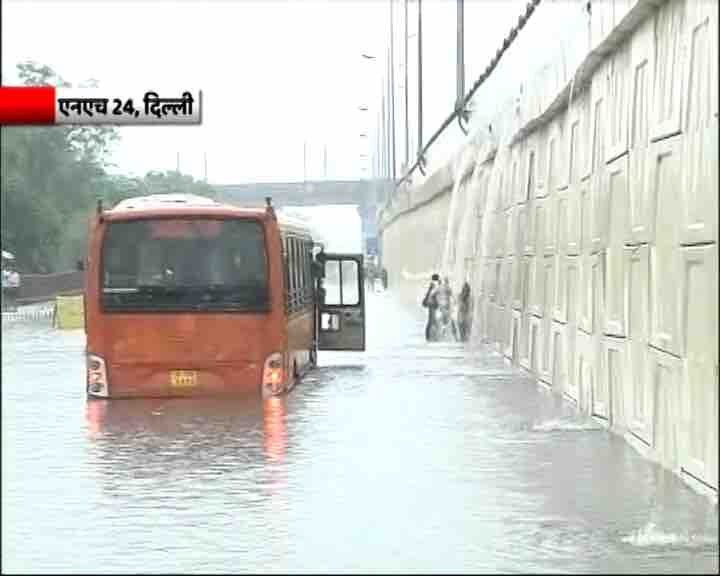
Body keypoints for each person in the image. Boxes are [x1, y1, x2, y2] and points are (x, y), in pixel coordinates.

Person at [422, 273, 441, 341]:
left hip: (432, 305)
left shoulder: (433, 285)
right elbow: (434, 295)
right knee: (432, 321)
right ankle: (431, 337)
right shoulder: (434, 285)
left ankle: (430, 337)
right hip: (432, 305)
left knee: (431, 321)